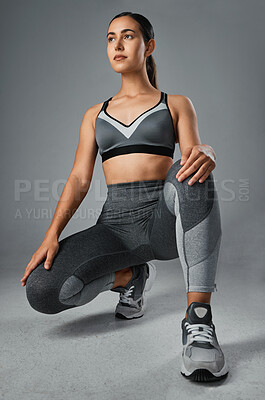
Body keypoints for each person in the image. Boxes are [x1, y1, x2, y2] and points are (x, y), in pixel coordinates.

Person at [20, 12, 229, 382]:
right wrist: (51, 234)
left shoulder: (175, 103)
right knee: (43, 290)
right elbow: (80, 178)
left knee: (193, 169)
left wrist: (208, 151)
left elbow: (192, 161)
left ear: (148, 46)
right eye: (110, 37)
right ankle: (129, 276)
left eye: (128, 36)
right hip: (114, 229)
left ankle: (199, 322)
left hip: (163, 222)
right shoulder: (94, 115)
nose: (117, 44)